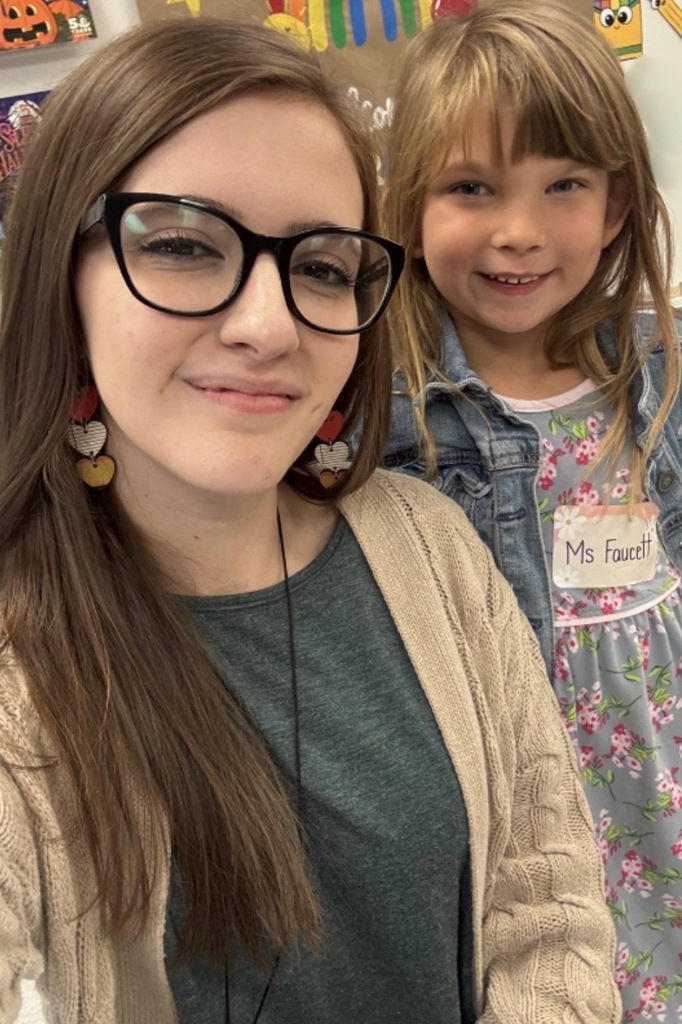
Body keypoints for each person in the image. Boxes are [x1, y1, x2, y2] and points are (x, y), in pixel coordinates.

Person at [0, 16, 620, 1024]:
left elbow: (542, 903)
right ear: (59, 275)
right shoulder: (21, 662)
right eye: (186, 245)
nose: (268, 322)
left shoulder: (430, 544)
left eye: (324, 266)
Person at [383, 1, 682, 1018]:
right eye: (471, 187)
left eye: (563, 184)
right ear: (410, 207)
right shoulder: (388, 404)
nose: (516, 230)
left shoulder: (653, 368)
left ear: (614, 206)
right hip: (508, 792)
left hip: (653, 763)